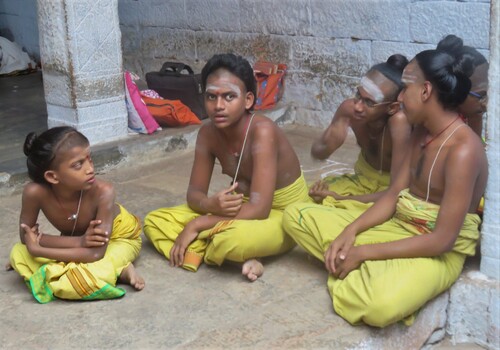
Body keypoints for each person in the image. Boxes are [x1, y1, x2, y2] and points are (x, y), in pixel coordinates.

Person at [283, 36, 487, 327]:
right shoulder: (421, 132)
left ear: (426, 91)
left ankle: (356, 265)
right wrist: (351, 232)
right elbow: (393, 196)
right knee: (295, 216)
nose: (400, 97)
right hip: (398, 225)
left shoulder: (464, 149)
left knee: (379, 306)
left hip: (435, 249)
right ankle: (356, 264)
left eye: (406, 88)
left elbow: (442, 240)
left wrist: (364, 251)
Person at [143, 53, 310, 281]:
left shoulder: (262, 131)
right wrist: (209, 204)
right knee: (155, 221)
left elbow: (260, 210)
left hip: (282, 213)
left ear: (248, 100)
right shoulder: (207, 134)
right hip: (241, 208)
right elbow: (194, 193)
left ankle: (228, 249)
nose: (218, 106)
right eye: (211, 97)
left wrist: (198, 223)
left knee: (229, 240)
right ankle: (239, 253)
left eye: (229, 97)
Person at [8, 127, 145, 303]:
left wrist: (39, 249)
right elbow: (24, 237)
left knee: (89, 272)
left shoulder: (104, 191)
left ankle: (122, 268)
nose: (90, 169)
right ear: (52, 176)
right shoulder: (34, 192)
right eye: (78, 165)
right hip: (81, 242)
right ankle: (108, 270)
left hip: (117, 240)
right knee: (18, 252)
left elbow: (96, 254)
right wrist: (78, 242)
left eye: (90, 159)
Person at [309, 54, 412, 208]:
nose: (358, 106)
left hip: (390, 192)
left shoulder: (399, 122)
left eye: (369, 102)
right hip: (361, 180)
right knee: (307, 200)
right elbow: (317, 153)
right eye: (358, 95)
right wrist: (329, 142)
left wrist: (338, 199)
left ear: (392, 107)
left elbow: (397, 191)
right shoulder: (349, 109)